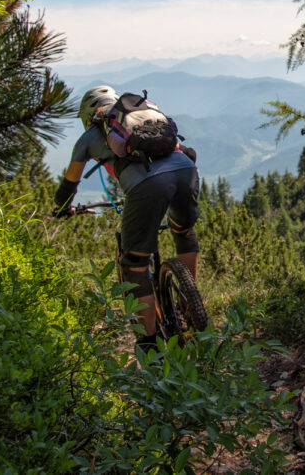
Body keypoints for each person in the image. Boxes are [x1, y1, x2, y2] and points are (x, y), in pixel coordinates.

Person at [54, 85, 200, 351]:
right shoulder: (145, 115)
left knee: (134, 263)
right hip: (186, 171)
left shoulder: (91, 135)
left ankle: (148, 344)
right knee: (183, 231)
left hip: (148, 187)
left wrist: (63, 207)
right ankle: (191, 308)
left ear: (88, 114)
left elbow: (69, 185)